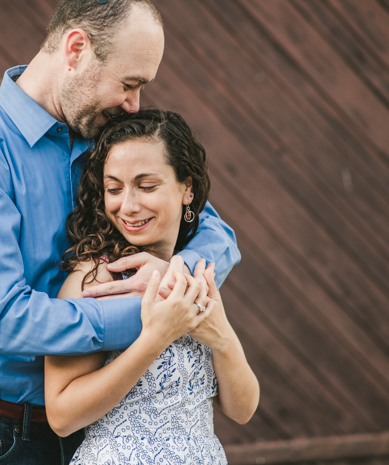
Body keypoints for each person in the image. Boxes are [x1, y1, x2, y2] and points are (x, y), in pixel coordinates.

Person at [0, 0, 241, 465]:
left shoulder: (105, 137)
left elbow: (215, 233)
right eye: (129, 84)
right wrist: (157, 316)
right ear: (76, 49)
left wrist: (175, 275)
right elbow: (7, 320)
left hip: (93, 433)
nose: (135, 105)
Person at [45, 109, 259, 464]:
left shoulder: (193, 272)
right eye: (114, 188)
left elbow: (242, 409)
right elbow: (62, 417)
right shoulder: (98, 279)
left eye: (146, 186)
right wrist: (155, 338)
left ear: (186, 189)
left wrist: (220, 336)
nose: (127, 206)